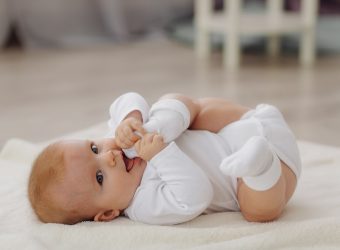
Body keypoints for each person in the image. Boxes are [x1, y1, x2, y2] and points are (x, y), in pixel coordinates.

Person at [28, 92, 301, 225]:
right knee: (257, 210)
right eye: (99, 177)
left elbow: (128, 98)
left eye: (93, 149)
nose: (110, 156)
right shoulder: (144, 204)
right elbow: (196, 196)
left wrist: (132, 117)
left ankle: (169, 121)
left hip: (240, 124)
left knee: (182, 107)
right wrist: (160, 155)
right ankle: (260, 164)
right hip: (271, 173)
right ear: (109, 213)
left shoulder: (122, 138)